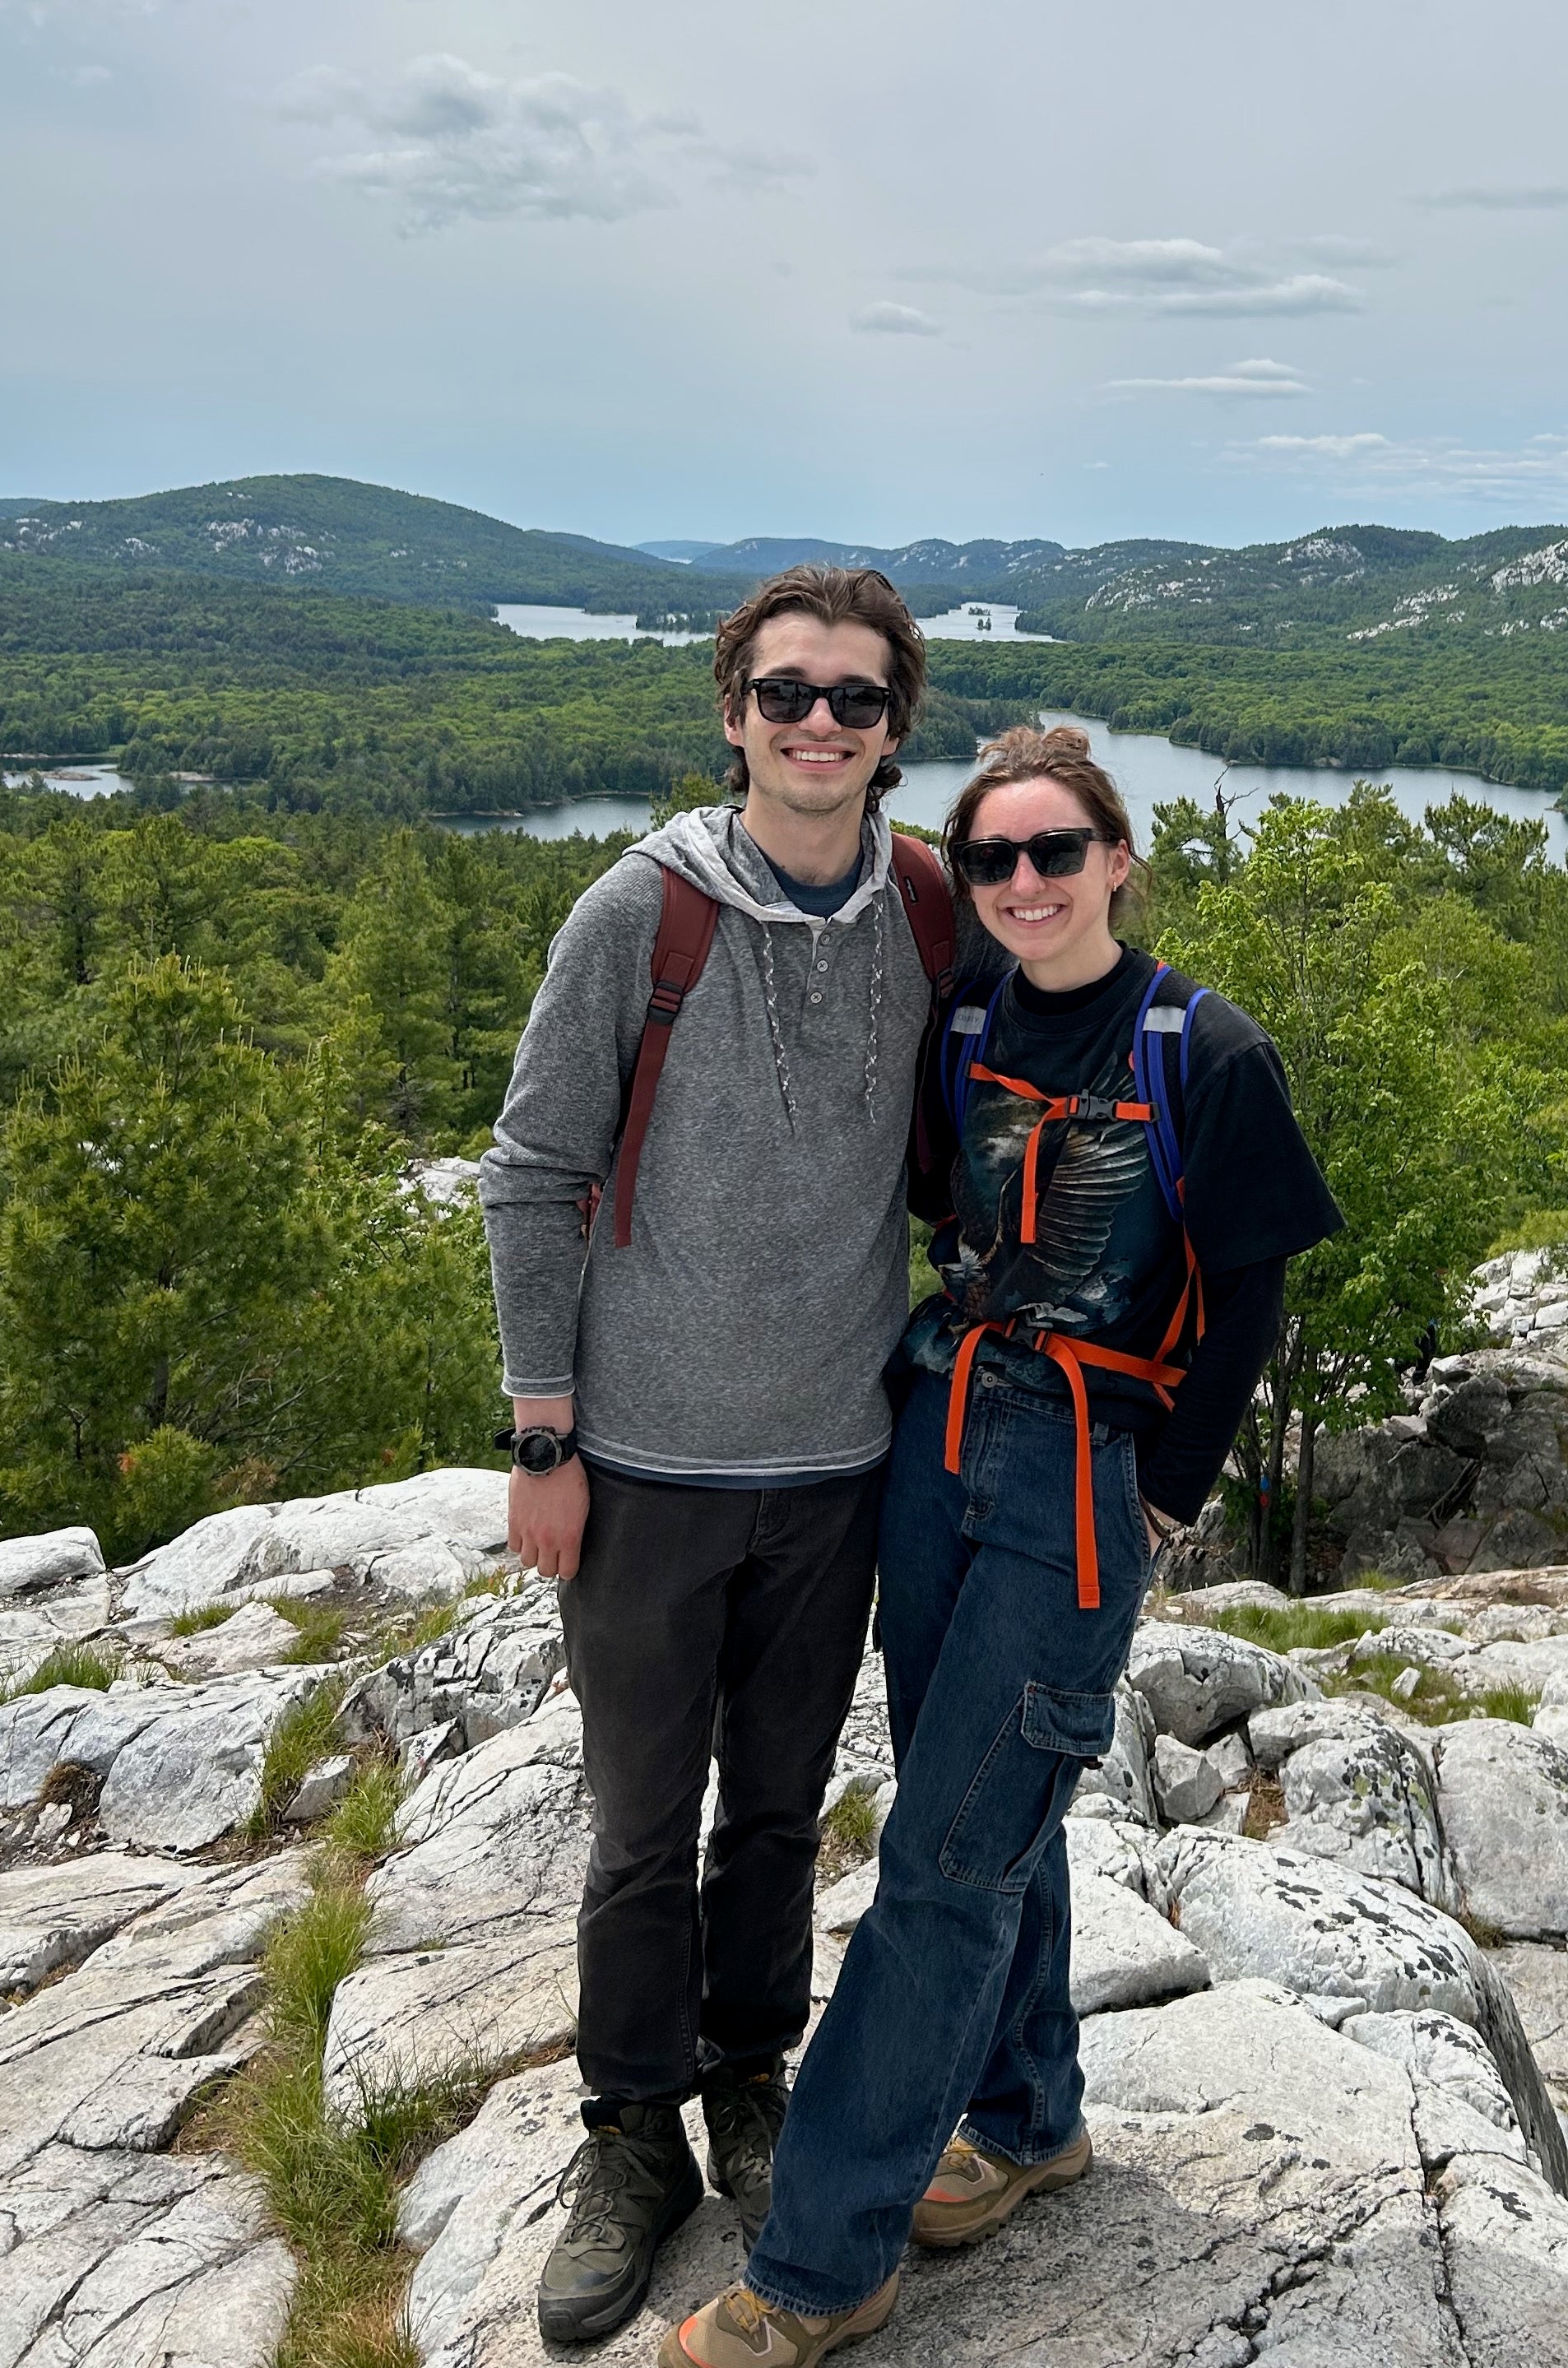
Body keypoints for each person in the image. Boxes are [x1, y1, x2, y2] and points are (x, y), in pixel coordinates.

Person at [664, 725, 1342, 2368]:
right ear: (967, 884)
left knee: (942, 1866)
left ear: (1118, 859)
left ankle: (824, 2264)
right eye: (994, 860)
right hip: (939, 1438)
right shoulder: (964, 1013)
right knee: (982, 1802)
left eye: (1057, 852)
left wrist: (1166, 1492)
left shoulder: (1207, 1048)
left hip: (1080, 1481)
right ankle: (1030, 2111)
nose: (1025, 883)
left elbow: (1247, 1292)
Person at [480, 563, 949, 2350]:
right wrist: (544, 1433)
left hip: (835, 1464)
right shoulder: (640, 911)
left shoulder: (924, 909)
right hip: (651, 1465)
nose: (816, 724)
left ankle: (750, 2080)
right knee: (632, 1829)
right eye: (785, 693)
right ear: (731, 710)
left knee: (774, 1811)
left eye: (853, 698)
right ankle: (628, 2133)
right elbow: (533, 1169)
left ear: (896, 730)